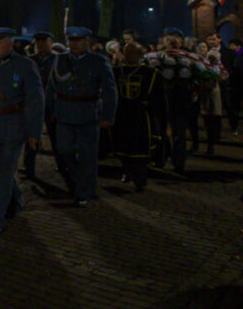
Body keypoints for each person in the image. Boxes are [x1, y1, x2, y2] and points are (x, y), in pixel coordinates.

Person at [0, 27, 44, 234]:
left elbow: (35, 101)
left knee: (2, 174)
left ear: (11, 43)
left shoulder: (25, 65)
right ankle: (16, 200)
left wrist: (34, 132)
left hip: (13, 127)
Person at [46, 27, 117, 205]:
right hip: (64, 113)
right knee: (64, 151)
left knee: (87, 156)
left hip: (88, 113)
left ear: (88, 41)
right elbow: (51, 87)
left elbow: (110, 90)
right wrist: (50, 110)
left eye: (78, 40)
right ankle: (82, 182)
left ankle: (84, 192)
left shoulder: (99, 61)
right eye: (71, 40)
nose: (74, 44)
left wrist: (107, 115)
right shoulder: (60, 60)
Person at [112, 42, 165, 191]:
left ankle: (140, 178)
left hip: (140, 117)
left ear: (140, 55)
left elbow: (158, 99)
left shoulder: (150, 73)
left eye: (132, 53)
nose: (128, 56)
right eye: (126, 52)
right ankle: (127, 171)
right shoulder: (116, 71)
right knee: (122, 147)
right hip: (122, 115)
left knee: (140, 148)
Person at [161, 27, 194, 174]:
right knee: (160, 131)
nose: (172, 41)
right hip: (161, 101)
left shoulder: (190, 58)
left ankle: (178, 162)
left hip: (181, 101)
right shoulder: (156, 57)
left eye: (175, 38)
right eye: (169, 38)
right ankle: (160, 158)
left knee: (179, 133)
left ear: (181, 41)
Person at [27, 31, 59, 181]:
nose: (40, 45)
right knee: (31, 136)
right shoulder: (30, 61)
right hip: (33, 104)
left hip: (52, 103)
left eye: (43, 42)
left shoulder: (58, 60)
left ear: (50, 42)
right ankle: (29, 167)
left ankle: (61, 163)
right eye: (38, 42)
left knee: (56, 136)